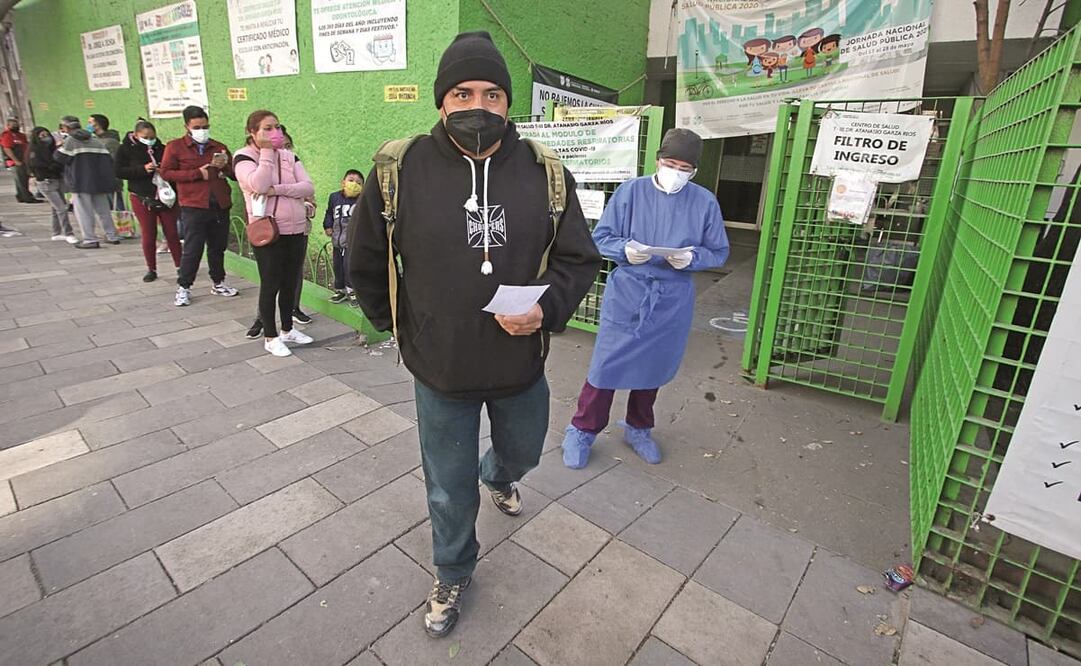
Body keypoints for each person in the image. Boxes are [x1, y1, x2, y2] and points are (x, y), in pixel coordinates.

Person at [350, 31, 601, 638]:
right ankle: (453, 569)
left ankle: (500, 474)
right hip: (440, 366)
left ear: (508, 102)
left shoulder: (544, 172)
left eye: (493, 94)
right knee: (445, 484)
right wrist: (402, 328)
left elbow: (578, 261)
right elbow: (363, 255)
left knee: (524, 451)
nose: (478, 106)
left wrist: (547, 311)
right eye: (462, 92)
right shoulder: (401, 167)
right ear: (442, 101)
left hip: (519, 360)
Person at [561, 128, 730, 469]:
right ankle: (582, 428)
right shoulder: (631, 192)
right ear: (657, 160)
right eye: (670, 163)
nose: (676, 173)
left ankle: (639, 427)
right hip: (629, 292)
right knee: (606, 365)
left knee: (654, 365)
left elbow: (719, 251)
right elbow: (602, 237)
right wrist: (624, 250)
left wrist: (693, 258)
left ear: (694, 170)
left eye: (685, 168)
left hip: (672, 297)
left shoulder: (703, 202)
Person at [234, 110, 315, 357]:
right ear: (252, 132)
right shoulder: (244, 157)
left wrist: (277, 190)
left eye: (277, 127)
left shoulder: (290, 156)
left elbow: (308, 186)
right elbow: (257, 185)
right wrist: (267, 152)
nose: (274, 133)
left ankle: (288, 329)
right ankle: (270, 335)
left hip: (296, 228)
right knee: (271, 283)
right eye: (267, 128)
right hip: (268, 230)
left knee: (290, 282)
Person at [159, 106, 239, 306]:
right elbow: (166, 173)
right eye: (197, 127)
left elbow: (235, 174)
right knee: (193, 248)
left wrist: (225, 167)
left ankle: (218, 282)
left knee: (217, 247)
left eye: (205, 126)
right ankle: (184, 287)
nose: (202, 130)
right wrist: (197, 173)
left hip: (219, 203)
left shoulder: (218, 146)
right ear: (187, 126)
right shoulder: (175, 147)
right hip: (194, 205)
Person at [115, 119, 182, 282]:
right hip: (141, 196)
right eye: (145, 136)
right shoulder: (125, 150)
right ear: (136, 135)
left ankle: (180, 267)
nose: (150, 139)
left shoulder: (163, 148)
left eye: (152, 136)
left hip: (165, 195)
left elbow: (174, 169)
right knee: (149, 232)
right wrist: (142, 169)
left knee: (172, 232)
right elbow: (119, 171)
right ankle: (151, 268)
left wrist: (162, 169)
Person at [54, 116, 121, 249]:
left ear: (66, 128)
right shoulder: (95, 140)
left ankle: (90, 239)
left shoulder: (71, 140)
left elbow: (59, 157)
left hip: (80, 182)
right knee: (104, 211)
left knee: (84, 212)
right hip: (100, 182)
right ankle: (112, 235)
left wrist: (59, 146)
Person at [27, 126, 77, 242]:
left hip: (57, 180)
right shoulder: (34, 151)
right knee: (61, 208)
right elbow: (36, 166)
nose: (46, 138)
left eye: (47, 135)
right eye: (42, 136)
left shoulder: (53, 149)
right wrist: (51, 167)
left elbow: (59, 161)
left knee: (56, 208)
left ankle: (56, 232)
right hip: (46, 182)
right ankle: (69, 233)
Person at [324, 169, 363, 304]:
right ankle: (340, 290)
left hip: (352, 242)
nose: (354, 184)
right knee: (338, 266)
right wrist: (327, 226)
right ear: (343, 183)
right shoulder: (334, 197)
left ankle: (353, 291)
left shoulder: (362, 201)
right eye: (351, 180)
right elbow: (329, 213)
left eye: (358, 183)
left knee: (349, 266)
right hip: (337, 241)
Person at [88, 114, 126, 211]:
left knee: (118, 208)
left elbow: (114, 161)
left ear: (97, 125)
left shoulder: (110, 142)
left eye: (90, 123)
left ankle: (124, 226)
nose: (88, 125)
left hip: (110, 180)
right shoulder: (94, 140)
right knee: (106, 209)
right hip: (99, 180)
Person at [2, 117, 39, 204]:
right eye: (13, 124)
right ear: (8, 126)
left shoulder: (21, 135)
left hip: (23, 160)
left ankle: (21, 196)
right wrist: (15, 161)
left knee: (22, 179)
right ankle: (27, 198)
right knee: (21, 180)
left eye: (17, 124)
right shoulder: (7, 135)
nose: (16, 126)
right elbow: (7, 149)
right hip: (16, 162)